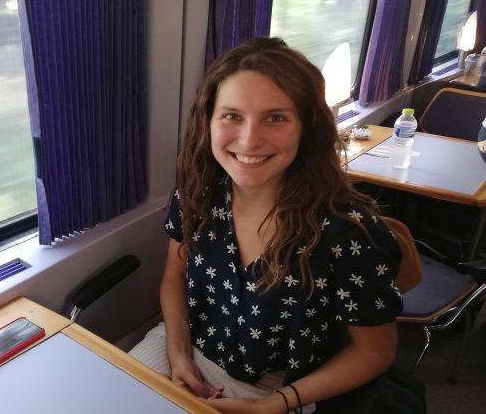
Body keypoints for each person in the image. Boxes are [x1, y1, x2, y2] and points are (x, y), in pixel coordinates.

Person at [129, 37, 403, 413]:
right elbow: (174, 277)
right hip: (186, 344)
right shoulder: (196, 193)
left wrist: (273, 404)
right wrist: (178, 356)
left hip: (283, 384)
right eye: (232, 116)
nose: (249, 140)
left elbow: (375, 352)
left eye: (275, 118)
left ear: (307, 127)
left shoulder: (348, 233)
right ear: (208, 122)